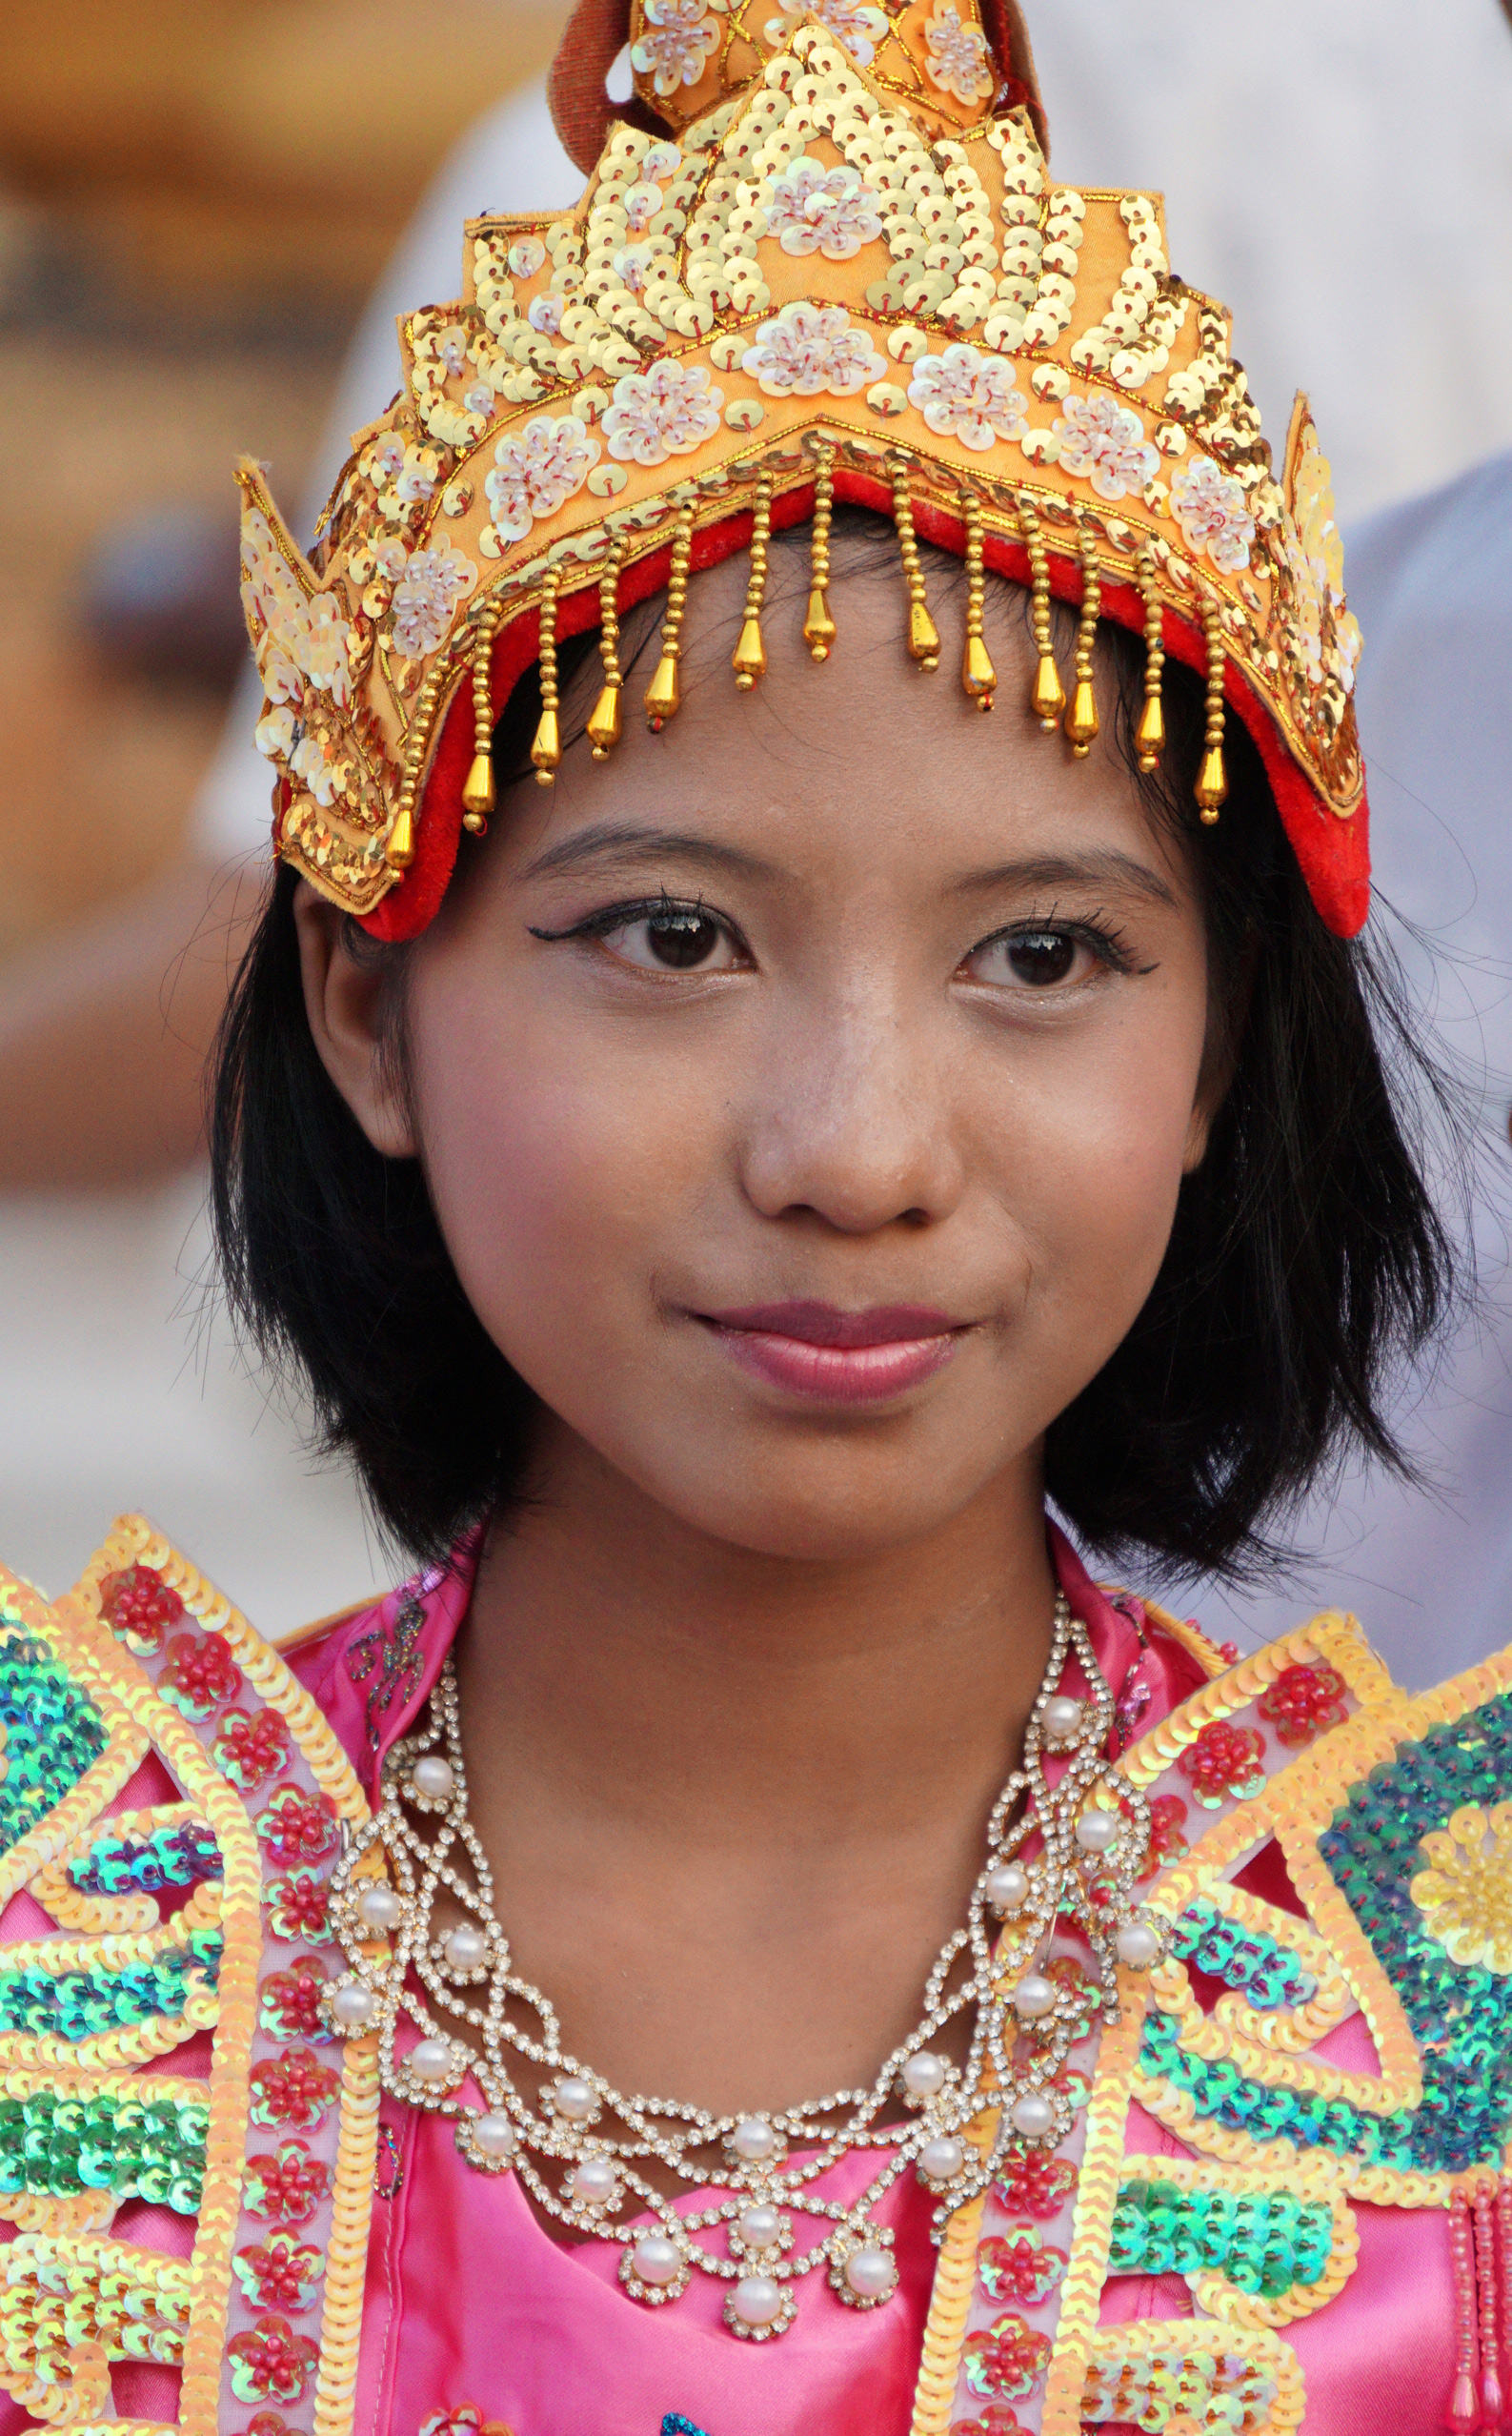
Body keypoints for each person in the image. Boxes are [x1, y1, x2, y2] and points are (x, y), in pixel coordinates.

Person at [0, 7, 1507, 2433]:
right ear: (367, 1010)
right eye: (672, 940)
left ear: (1220, 1052)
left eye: (1043, 957)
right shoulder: (58, 1925)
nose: (853, 1145)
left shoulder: (1441, 2033)